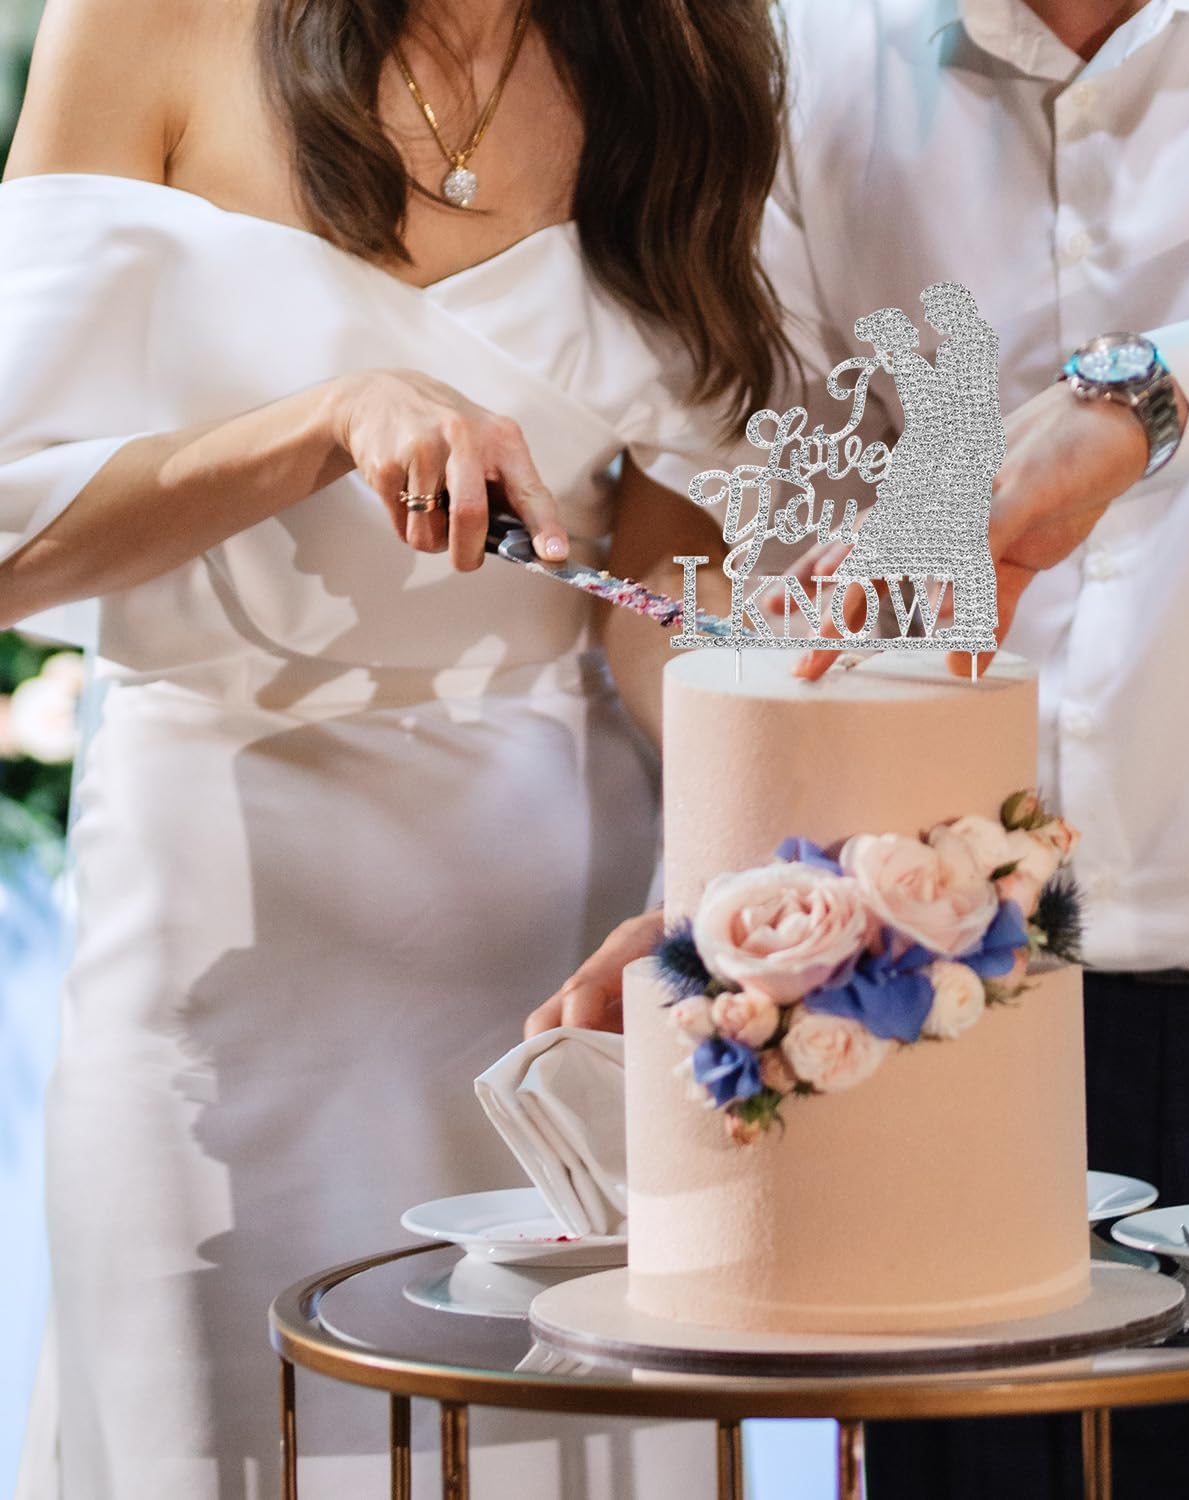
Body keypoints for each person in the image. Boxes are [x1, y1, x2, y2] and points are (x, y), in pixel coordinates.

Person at [535, 1, 1189, 1495]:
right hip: (954, 1015)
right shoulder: (806, 52)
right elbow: (735, 531)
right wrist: (720, 889)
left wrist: (1143, 402)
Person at [0, 0, 783, 1493]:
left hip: (557, 928)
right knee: (221, 1421)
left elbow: (667, 576)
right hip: (219, 913)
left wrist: (716, 878)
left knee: (575, 1420)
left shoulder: (690, 46)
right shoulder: (145, 24)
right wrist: (323, 422)